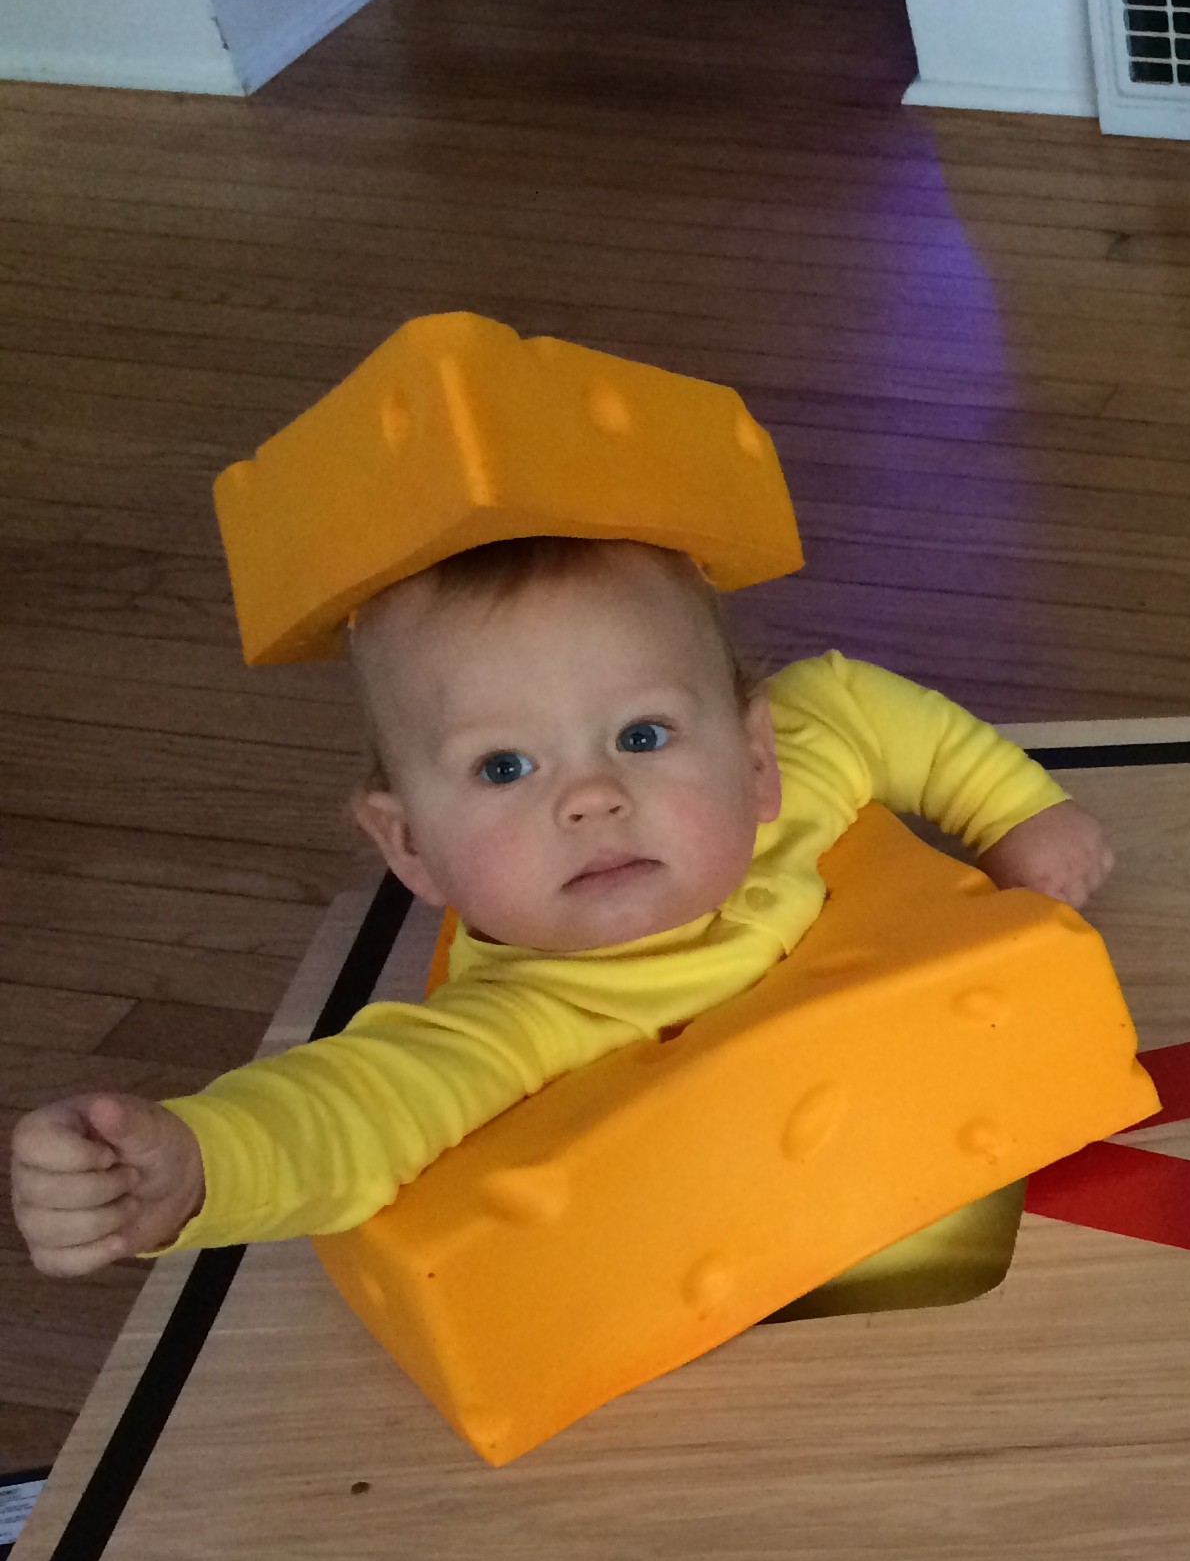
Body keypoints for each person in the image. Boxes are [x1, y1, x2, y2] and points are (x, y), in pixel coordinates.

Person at [11, 532, 1112, 1274]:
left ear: (754, 759)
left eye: (641, 737)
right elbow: (358, 1103)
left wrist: (1015, 814)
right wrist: (201, 1164)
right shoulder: (522, 1019)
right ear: (412, 849)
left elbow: (863, 707)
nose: (591, 798)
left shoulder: (791, 782)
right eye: (502, 768)